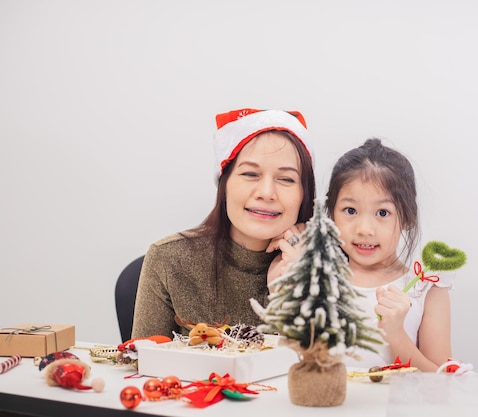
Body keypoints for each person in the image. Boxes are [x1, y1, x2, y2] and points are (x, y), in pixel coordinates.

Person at [131, 108, 316, 339]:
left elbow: (330, 371)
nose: (267, 193)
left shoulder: (332, 267)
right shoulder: (169, 259)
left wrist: (293, 294)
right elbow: (140, 366)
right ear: (224, 184)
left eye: (286, 179)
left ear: (304, 194)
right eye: (250, 174)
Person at [325, 138, 454, 372]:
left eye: (383, 212)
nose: (365, 229)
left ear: (406, 218)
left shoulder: (425, 288)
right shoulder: (316, 281)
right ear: (331, 213)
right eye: (350, 210)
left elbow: (442, 383)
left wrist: (396, 335)